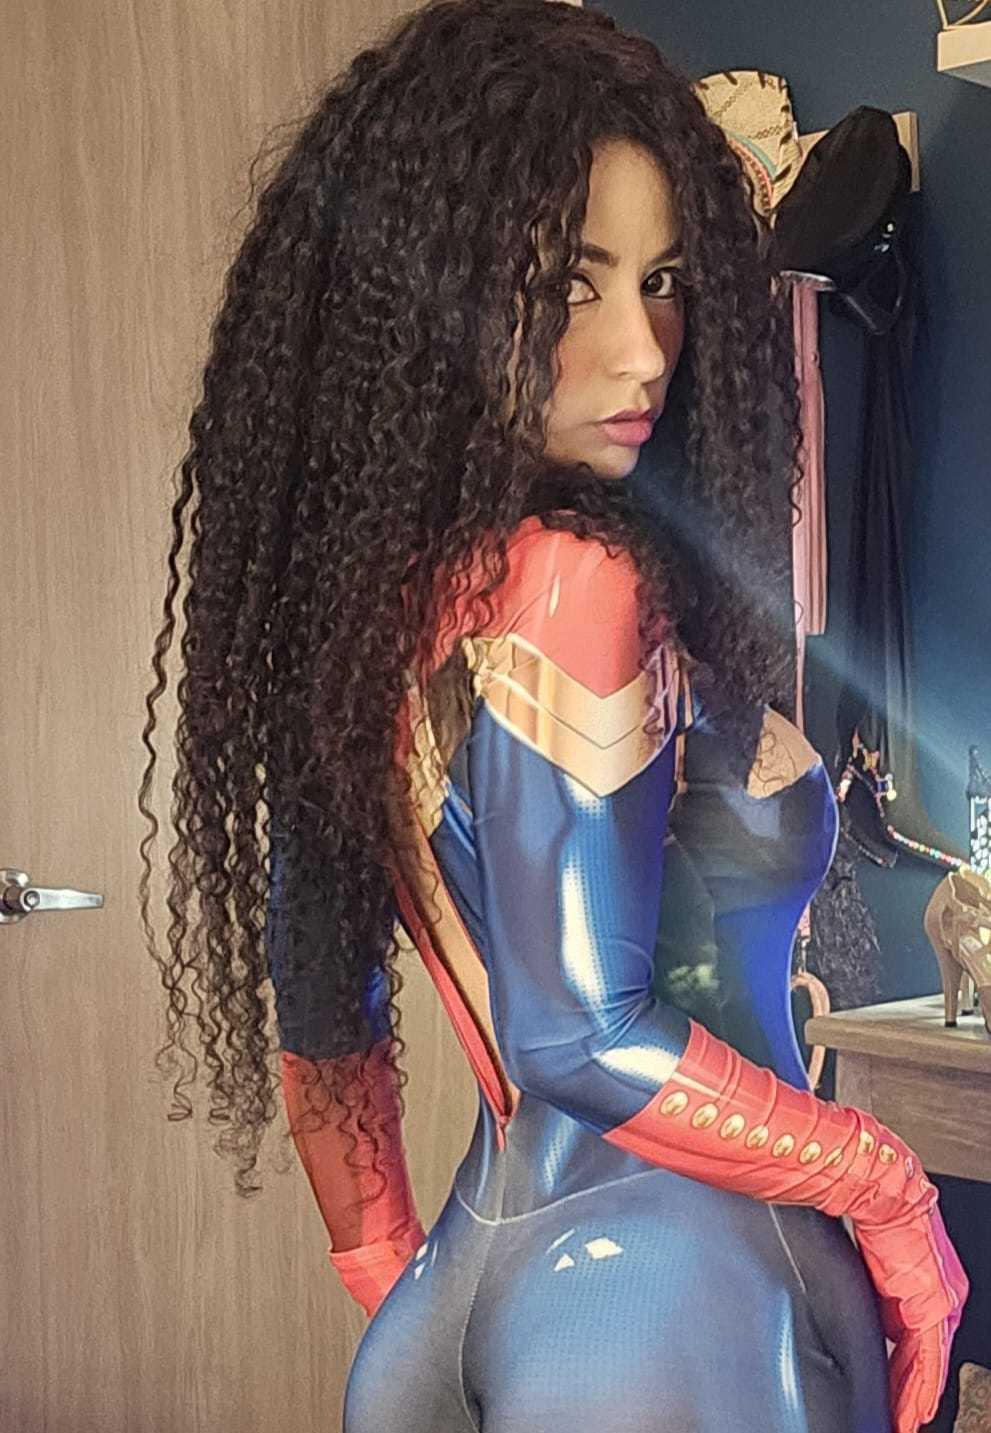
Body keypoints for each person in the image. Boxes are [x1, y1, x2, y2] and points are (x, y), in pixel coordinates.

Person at [140, 3, 968, 1430]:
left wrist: (410, 1286)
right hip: (672, 1283)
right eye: (569, 286)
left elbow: (322, 1010)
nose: (643, 350)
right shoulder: (576, 579)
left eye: (664, 282)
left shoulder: (363, 608)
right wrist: (887, 1184)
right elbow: (580, 1036)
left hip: (466, 1281)